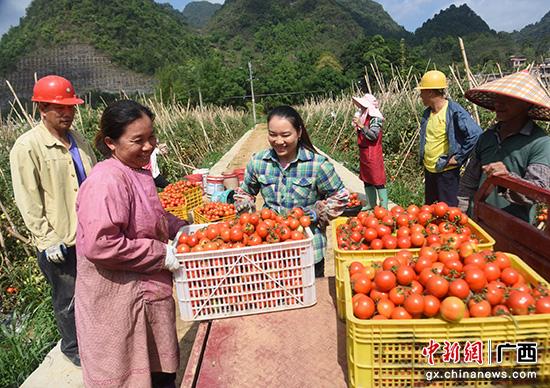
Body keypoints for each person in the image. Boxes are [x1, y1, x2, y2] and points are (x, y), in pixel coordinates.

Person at [75, 100, 187, 387]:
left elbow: (151, 215)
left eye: (152, 137)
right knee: (129, 372)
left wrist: (184, 229)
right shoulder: (106, 181)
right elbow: (101, 245)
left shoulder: (136, 170)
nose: (149, 146)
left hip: (145, 291)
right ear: (111, 143)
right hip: (118, 299)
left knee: (158, 372)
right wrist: (160, 254)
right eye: (138, 140)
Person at [9, 75, 96, 367]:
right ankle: (74, 349)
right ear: (41, 109)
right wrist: (47, 239)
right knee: (68, 299)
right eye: (59, 108)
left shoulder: (78, 141)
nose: (67, 114)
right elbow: (28, 200)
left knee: (93, 294)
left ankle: (94, 341)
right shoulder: (27, 147)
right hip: (60, 240)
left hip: (88, 235)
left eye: (71, 108)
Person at [234, 105, 349, 278]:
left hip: (308, 248)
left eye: (285, 135)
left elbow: (341, 196)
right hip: (271, 248)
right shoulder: (258, 162)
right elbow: (245, 192)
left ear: (299, 132)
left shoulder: (317, 164)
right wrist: (245, 205)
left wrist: (318, 213)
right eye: (273, 135)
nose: (279, 141)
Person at [458, 71, 550, 222]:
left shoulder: (541, 143)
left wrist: (507, 180)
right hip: (479, 219)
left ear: (526, 104)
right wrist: (460, 215)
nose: (498, 104)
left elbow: (538, 193)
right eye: (496, 98)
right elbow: (469, 182)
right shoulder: (487, 137)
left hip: (514, 227)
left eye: (507, 99)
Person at [417, 70, 482, 206]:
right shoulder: (427, 113)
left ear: (430, 92)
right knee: (431, 208)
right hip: (430, 169)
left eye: (422, 91)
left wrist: (458, 158)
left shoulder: (453, 111)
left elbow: (475, 134)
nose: (420, 95)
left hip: (446, 172)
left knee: (447, 210)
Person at [352, 93, 388, 209]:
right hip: (364, 153)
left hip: (373, 153)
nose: (360, 108)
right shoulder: (364, 117)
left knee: (377, 179)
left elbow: (373, 135)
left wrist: (361, 126)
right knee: (366, 179)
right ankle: (371, 203)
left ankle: (383, 206)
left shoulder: (375, 119)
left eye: (363, 106)